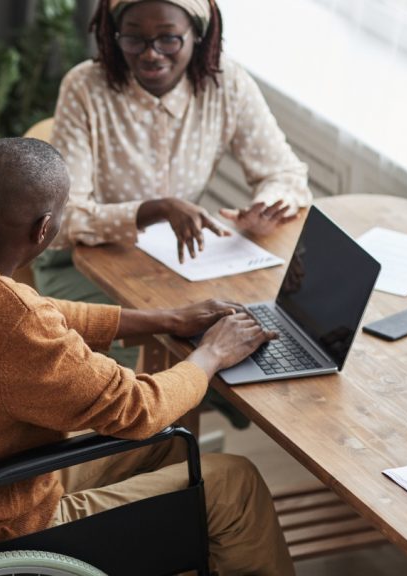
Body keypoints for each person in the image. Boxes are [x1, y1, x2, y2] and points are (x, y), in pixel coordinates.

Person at [0, 137, 294, 575]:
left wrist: (165, 319)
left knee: (169, 449)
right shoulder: (13, 323)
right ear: (44, 229)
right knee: (233, 483)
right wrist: (213, 353)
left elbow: (28, 310)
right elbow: (139, 408)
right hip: (7, 530)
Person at [35, 0, 312, 424]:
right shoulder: (85, 87)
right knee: (185, 346)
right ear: (113, 34)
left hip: (180, 265)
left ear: (198, 34)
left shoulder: (226, 84)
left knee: (239, 331)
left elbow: (286, 173)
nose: (150, 53)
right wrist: (153, 210)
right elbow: (62, 221)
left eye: (168, 37)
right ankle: (166, 453)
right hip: (80, 262)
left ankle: (180, 450)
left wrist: (267, 205)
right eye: (134, 38)